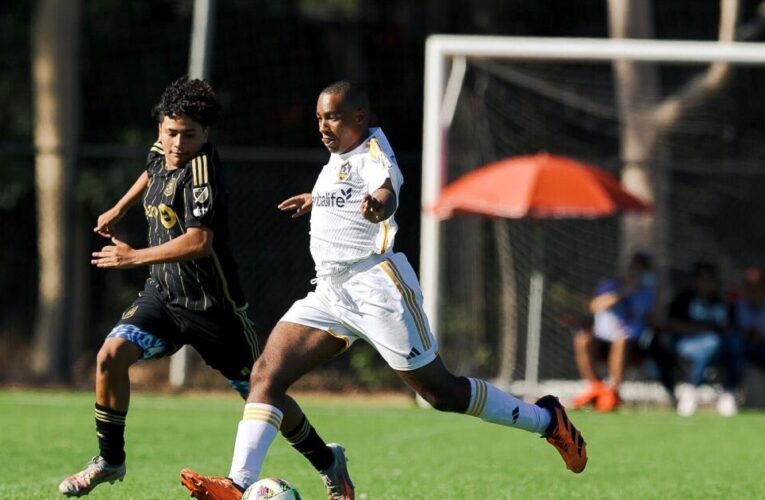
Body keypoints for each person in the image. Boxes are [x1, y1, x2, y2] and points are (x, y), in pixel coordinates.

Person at [179, 81, 587, 500]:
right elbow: (346, 192)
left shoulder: (374, 153)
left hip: (377, 288)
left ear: (360, 118)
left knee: (439, 392)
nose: (323, 126)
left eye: (333, 117)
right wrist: (316, 199)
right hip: (330, 292)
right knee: (266, 374)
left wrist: (381, 203)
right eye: (319, 118)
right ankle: (238, 483)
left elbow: (386, 189)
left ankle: (547, 419)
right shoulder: (340, 155)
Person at [58, 77, 342, 497]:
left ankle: (328, 460)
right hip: (163, 297)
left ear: (205, 134)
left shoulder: (202, 170)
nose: (177, 143)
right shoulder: (163, 149)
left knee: (264, 395)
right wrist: (120, 206)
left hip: (215, 311)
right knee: (111, 355)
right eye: (170, 132)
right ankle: (109, 460)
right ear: (160, 127)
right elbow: (150, 169)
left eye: (189, 135)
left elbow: (199, 241)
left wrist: (132, 256)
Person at [572, 252, 657, 412]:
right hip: (603, 340)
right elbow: (595, 306)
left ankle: (612, 392)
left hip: (631, 344)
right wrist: (624, 292)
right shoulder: (611, 285)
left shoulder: (647, 292)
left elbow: (651, 318)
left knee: (621, 340)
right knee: (582, 340)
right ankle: (595, 387)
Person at [666, 262, 726, 416]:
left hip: (715, 348)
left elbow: (725, 327)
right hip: (685, 343)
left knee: (722, 345)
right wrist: (698, 330)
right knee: (710, 343)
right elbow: (672, 324)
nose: (706, 282)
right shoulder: (684, 298)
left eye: (709, 279)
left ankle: (726, 391)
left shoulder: (718, 301)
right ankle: (693, 388)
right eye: (702, 278)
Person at [720, 266, 765, 416]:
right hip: (741, 347)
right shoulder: (736, 305)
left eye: (757, 286)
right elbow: (728, 329)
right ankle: (728, 393)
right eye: (749, 286)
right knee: (734, 347)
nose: (753, 290)